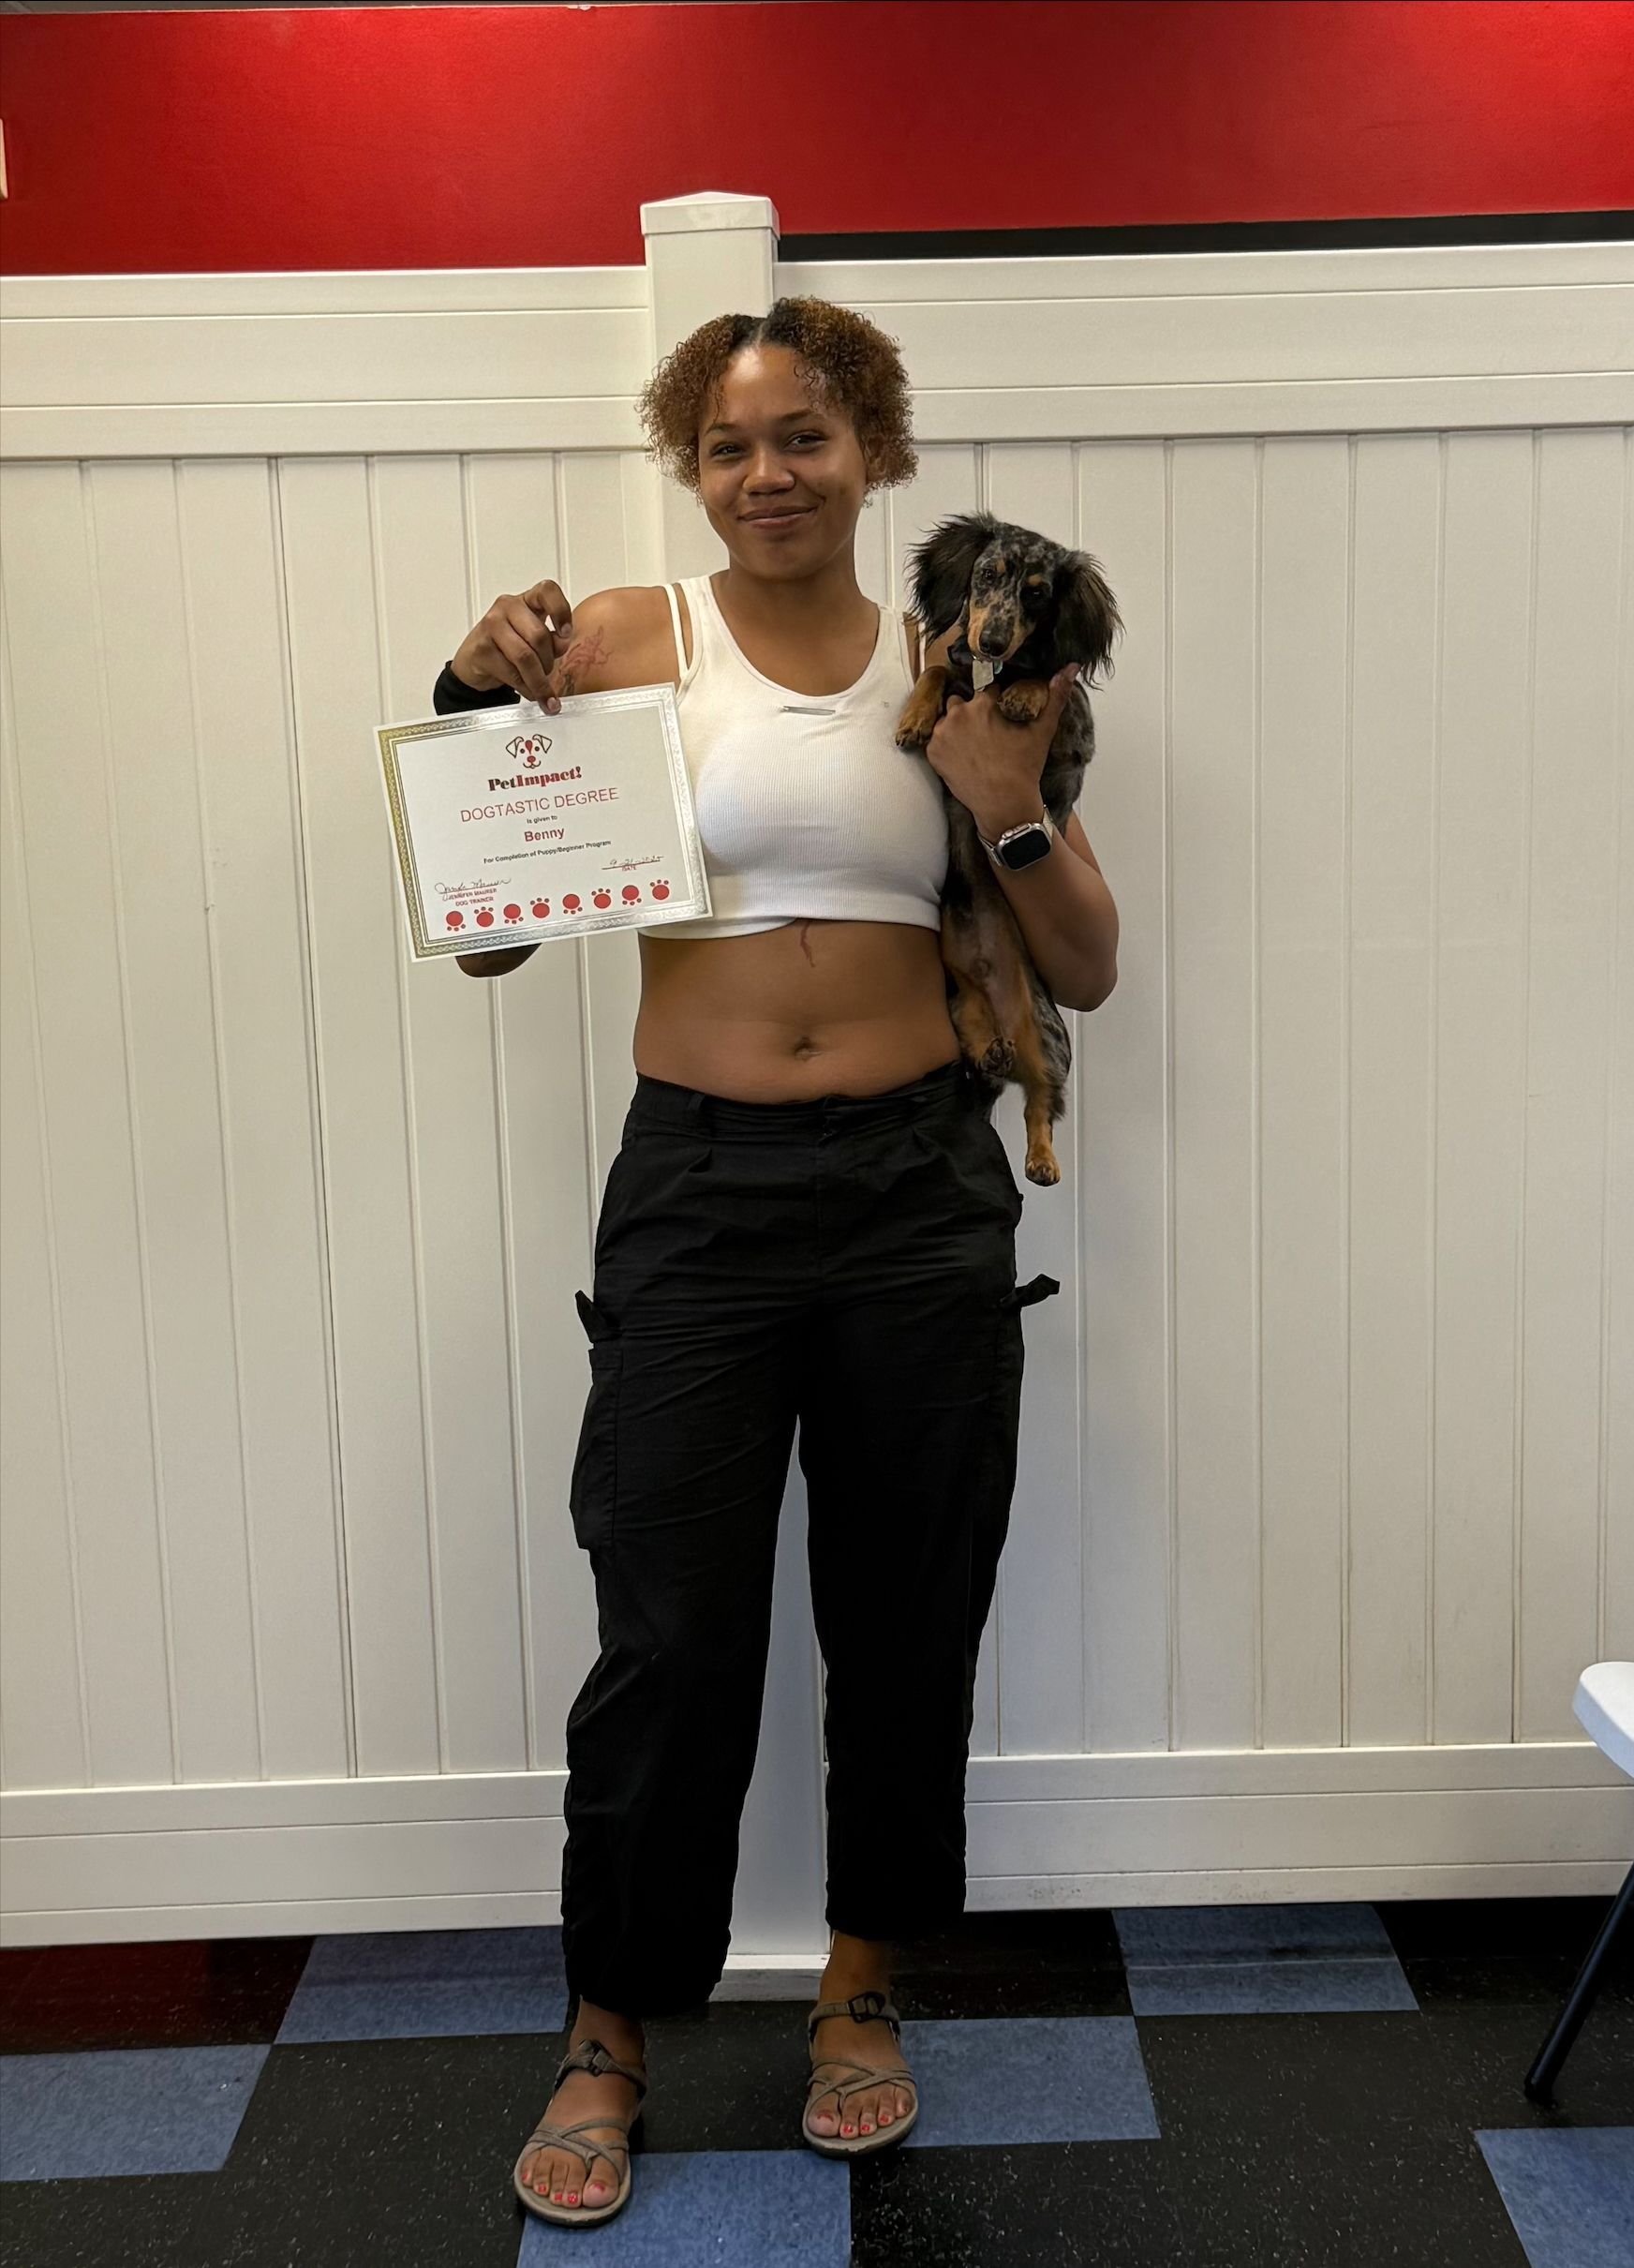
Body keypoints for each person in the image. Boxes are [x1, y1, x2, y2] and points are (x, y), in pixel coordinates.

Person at [432, 294, 1119, 2230]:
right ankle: (608, 2030)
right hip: (699, 1190)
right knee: (668, 1632)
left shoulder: (964, 659)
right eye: (731, 443)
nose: (768, 474)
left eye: (804, 435)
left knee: (907, 1614)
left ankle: (857, 1988)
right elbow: (487, 932)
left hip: (916, 1188)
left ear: (871, 446)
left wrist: (1010, 793)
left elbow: (1081, 962)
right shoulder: (621, 644)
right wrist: (485, 695)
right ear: (691, 461)